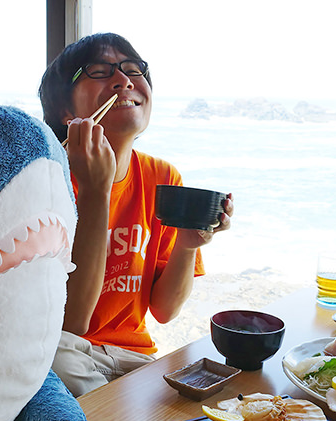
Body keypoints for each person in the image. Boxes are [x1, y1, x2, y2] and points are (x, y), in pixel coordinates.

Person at [39, 33, 233, 396]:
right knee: (54, 360)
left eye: (134, 69)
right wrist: (97, 190)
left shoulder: (163, 178)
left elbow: (164, 310)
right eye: (100, 71)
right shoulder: (47, 180)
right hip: (65, 351)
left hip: (133, 353)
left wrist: (188, 245)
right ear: (66, 112)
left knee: (217, 390)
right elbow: (72, 324)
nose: (125, 81)